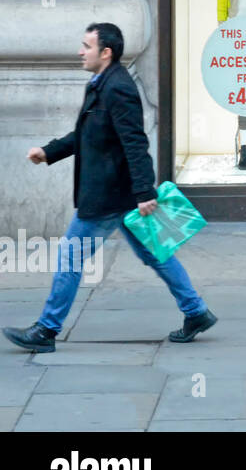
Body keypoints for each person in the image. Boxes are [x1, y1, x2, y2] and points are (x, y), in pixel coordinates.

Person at [5, 24, 217, 353]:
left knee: (71, 255)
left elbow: (135, 142)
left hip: (108, 195)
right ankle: (196, 311)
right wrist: (49, 152)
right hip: (119, 194)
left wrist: (145, 192)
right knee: (154, 253)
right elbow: (85, 135)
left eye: (86, 46)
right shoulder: (101, 84)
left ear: (105, 52)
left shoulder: (118, 88)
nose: (80, 52)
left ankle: (46, 330)